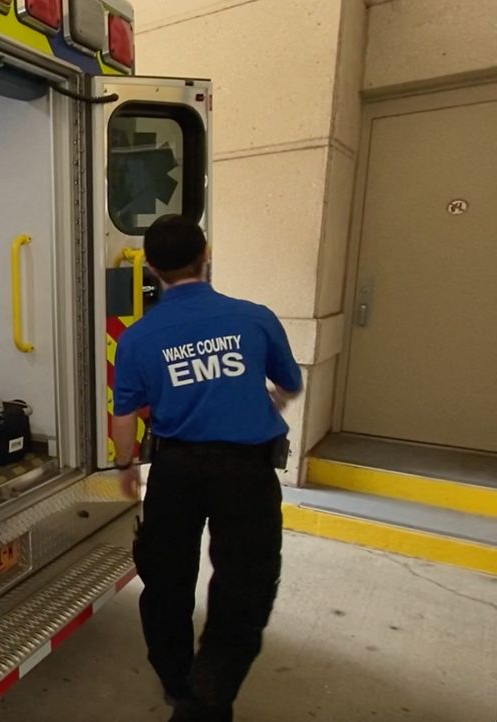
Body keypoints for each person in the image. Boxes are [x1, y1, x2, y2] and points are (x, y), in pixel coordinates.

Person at [110, 214, 303, 722]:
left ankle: (178, 683)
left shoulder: (138, 338)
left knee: (167, 583)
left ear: (151, 268)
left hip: (175, 471)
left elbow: (125, 416)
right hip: (247, 474)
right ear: (207, 255)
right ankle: (206, 698)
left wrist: (126, 466)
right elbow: (289, 384)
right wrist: (264, 403)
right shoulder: (254, 317)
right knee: (245, 587)